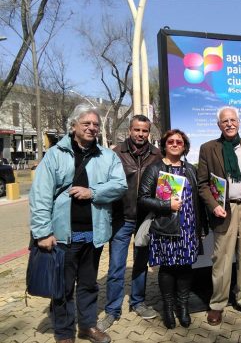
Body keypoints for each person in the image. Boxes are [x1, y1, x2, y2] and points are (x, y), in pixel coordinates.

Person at [29, 104, 127, 343]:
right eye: (86, 124)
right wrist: (42, 233)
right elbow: (40, 195)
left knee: (89, 284)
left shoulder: (107, 156)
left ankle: (87, 326)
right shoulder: (55, 155)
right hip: (63, 236)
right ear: (73, 126)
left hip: (94, 234)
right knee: (62, 288)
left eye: (95, 124)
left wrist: (92, 192)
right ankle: (63, 333)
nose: (92, 128)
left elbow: (120, 185)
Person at [197, 106, 241, 326]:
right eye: (225, 121)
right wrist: (213, 205)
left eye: (233, 120)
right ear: (219, 125)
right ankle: (217, 304)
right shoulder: (208, 148)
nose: (229, 124)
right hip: (223, 211)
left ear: (239, 122)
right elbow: (202, 184)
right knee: (222, 261)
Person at [97, 115, 162, 332]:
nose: (140, 134)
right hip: (121, 218)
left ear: (149, 132)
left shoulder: (157, 155)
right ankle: (112, 310)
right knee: (116, 266)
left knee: (141, 264)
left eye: (144, 131)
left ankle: (137, 302)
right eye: (137, 130)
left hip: (145, 219)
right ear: (130, 130)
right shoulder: (116, 153)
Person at [137, 129, 207, 329]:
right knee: (167, 268)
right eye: (171, 142)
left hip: (188, 227)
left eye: (179, 142)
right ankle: (168, 308)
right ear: (164, 145)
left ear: (184, 146)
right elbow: (142, 199)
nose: (175, 144)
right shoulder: (155, 169)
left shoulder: (190, 170)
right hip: (165, 227)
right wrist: (167, 205)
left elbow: (198, 200)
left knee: (185, 267)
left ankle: (183, 307)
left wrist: (202, 226)